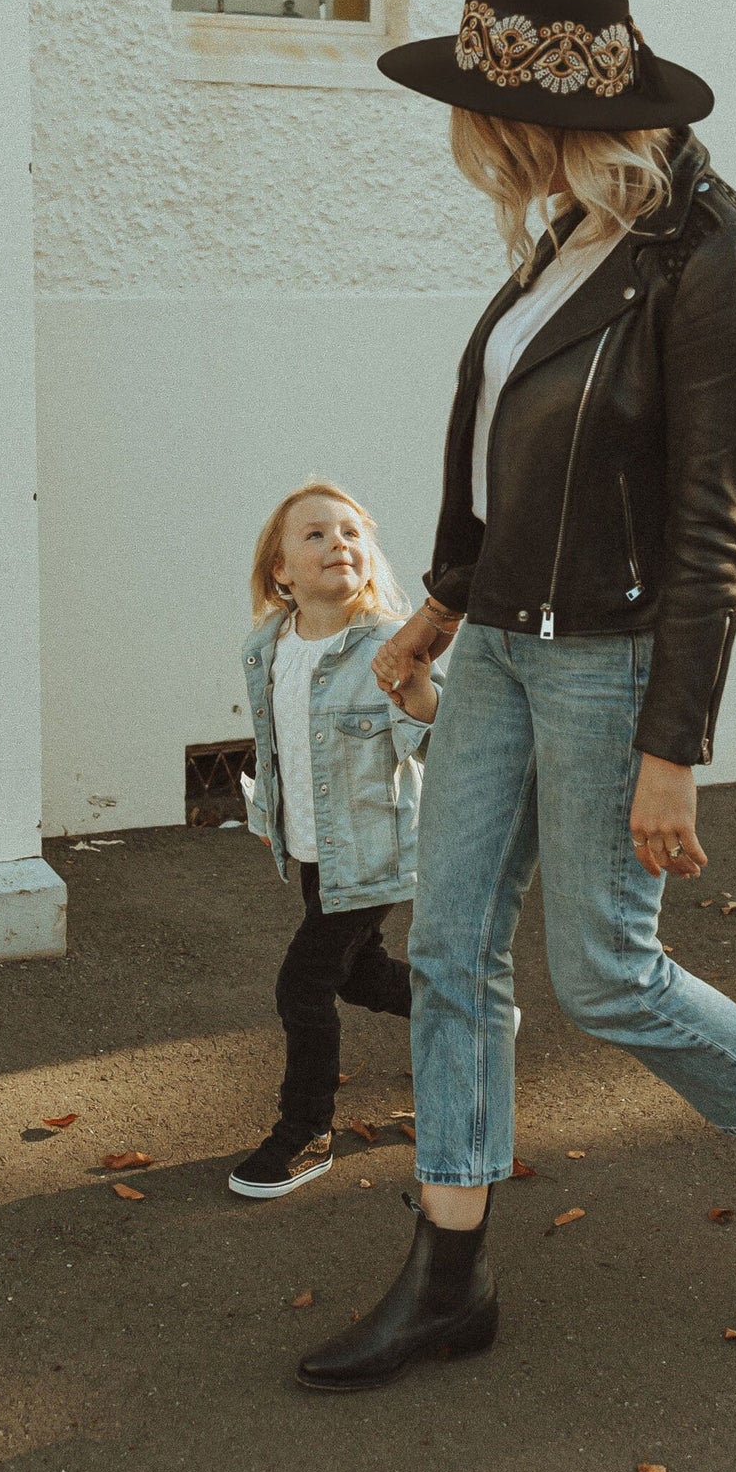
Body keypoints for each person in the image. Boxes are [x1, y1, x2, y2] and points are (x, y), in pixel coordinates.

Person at [296, 0, 736, 1390]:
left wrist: (672, 744)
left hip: (609, 667)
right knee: (447, 952)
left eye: (491, 124)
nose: (480, 154)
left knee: (605, 975)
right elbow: (512, 442)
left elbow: (711, 522)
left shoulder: (711, 255)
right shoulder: (568, 229)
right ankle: (450, 1274)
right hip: (503, 649)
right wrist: (445, 602)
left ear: (554, 121)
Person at [229, 483, 439, 1200]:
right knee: (358, 972)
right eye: (315, 535)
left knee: (305, 984)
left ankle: (305, 1134)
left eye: (350, 533)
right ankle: (469, 1010)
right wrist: (276, 824)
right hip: (313, 847)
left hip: (373, 851)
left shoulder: (388, 643)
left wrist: (417, 692)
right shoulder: (268, 646)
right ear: (280, 571)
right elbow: (278, 746)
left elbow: (427, 731)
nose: (337, 544)